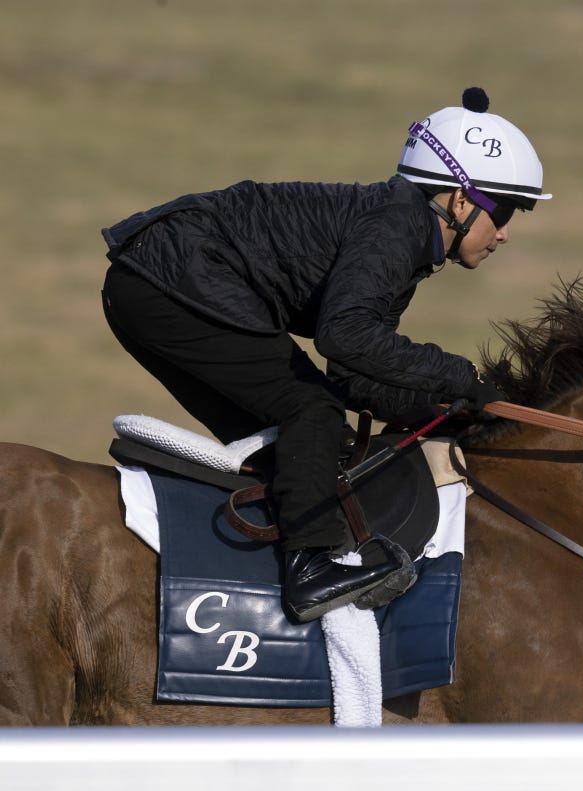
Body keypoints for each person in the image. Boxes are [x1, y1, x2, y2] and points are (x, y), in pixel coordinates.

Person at [100, 87, 551, 622]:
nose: (503, 233)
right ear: (459, 198)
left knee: (305, 446)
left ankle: (249, 576)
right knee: (309, 411)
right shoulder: (397, 227)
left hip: (152, 282)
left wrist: (436, 411)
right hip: (173, 280)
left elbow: (350, 371)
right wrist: (458, 376)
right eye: (503, 211)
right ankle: (310, 571)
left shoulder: (402, 231)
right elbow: (346, 337)